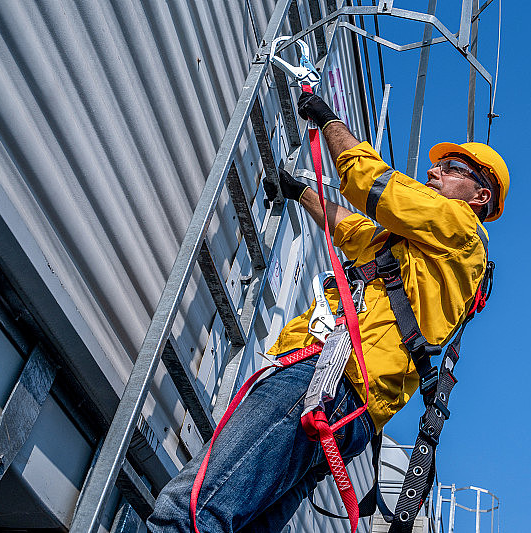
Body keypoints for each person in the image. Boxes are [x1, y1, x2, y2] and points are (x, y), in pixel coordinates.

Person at [148, 93, 510, 533]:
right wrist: (302, 192)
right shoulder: (437, 251)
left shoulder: (459, 225)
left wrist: (328, 120)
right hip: (351, 412)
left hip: (326, 381)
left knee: (191, 511)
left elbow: (372, 184)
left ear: (479, 195)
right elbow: (358, 232)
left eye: (451, 168)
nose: (433, 171)